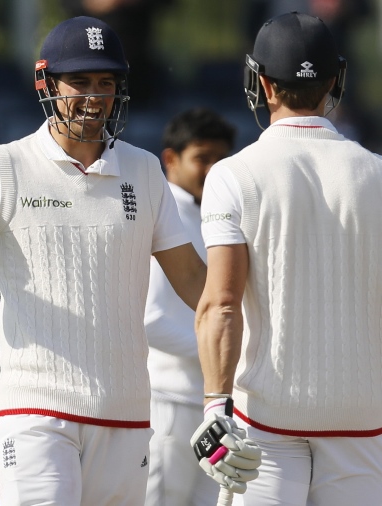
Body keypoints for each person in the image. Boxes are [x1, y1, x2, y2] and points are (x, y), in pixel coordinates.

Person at [0, 16, 206, 506]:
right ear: (46, 83)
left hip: (126, 417)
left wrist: (260, 337)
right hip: (35, 411)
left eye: (106, 82)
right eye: (79, 82)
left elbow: (196, 283)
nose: (94, 96)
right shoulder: (2, 165)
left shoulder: (144, 170)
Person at [192, 12, 382, 505]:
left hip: (267, 419)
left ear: (262, 83)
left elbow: (222, 305)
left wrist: (215, 406)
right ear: (336, 80)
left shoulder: (232, 175)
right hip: (357, 420)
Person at [143, 108, 236, 506]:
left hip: (209, 403)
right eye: (202, 157)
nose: (213, 169)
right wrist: (226, 352)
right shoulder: (161, 216)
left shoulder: (211, 216)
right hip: (168, 403)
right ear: (171, 160)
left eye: (221, 159)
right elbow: (150, 320)